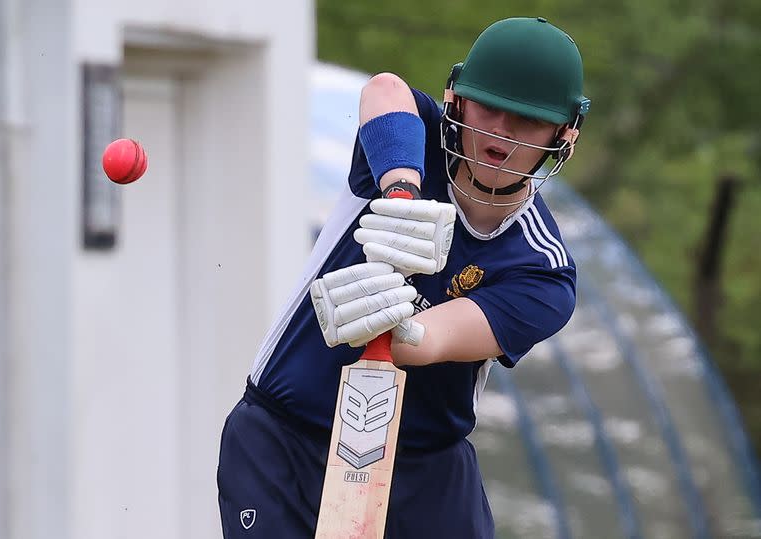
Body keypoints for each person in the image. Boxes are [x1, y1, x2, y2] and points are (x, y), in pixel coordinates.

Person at [217, 16, 590, 538]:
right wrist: (400, 196)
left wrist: (400, 326)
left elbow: (430, 341)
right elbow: (385, 88)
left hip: (422, 470)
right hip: (285, 437)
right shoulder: (409, 144)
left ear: (563, 134)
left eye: (526, 121)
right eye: (489, 107)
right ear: (456, 99)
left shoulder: (542, 269)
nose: (499, 133)